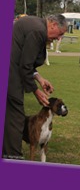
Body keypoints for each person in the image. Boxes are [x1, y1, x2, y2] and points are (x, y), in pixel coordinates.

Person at [2, 14, 68, 160]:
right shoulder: (38, 31)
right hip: (10, 74)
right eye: (60, 34)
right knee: (16, 118)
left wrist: (39, 78)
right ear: (53, 25)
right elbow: (25, 66)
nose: (59, 38)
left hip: (12, 71)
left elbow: (25, 59)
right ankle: (13, 157)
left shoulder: (35, 25)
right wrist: (36, 91)